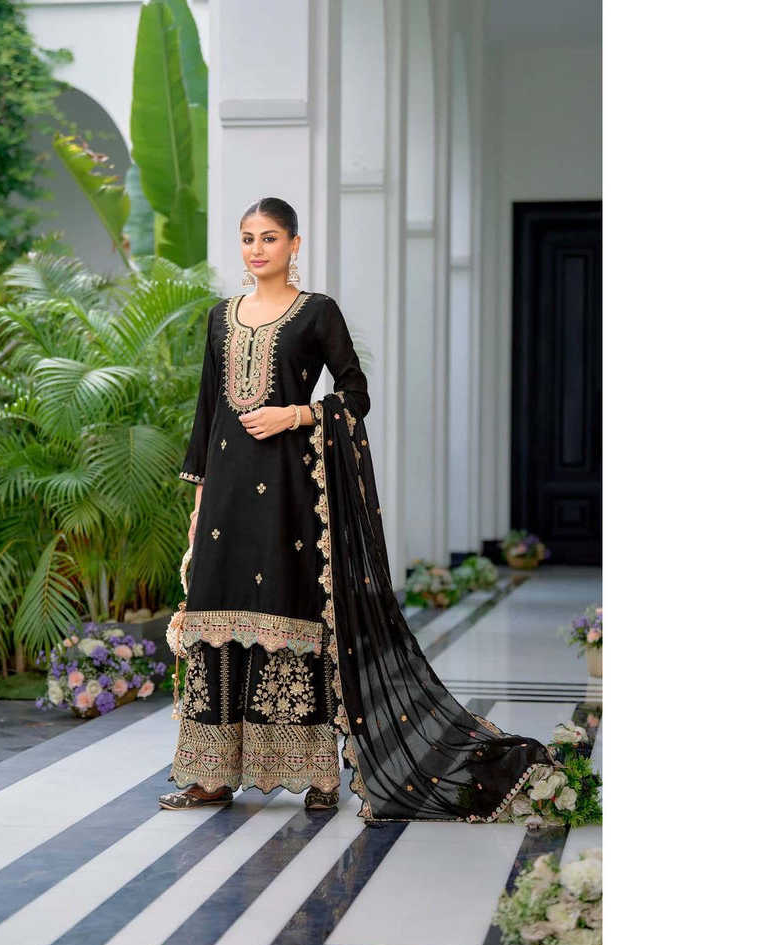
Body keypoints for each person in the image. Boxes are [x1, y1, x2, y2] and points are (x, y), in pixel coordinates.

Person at [159, 197, 552, 823]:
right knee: (215, 619)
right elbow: (209, 411)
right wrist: (199, 502)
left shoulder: (317, 312)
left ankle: (316, 773)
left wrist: (295, 414)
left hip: (290, 490)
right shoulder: (219, 318)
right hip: (227, 497)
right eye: (247, 238)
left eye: (269, 237)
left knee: (291, 614)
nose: (257, 249)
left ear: (294, 244)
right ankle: (210, 775)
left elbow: (355, 394)